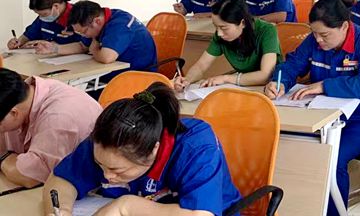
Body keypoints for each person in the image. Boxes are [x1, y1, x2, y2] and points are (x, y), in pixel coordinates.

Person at [266, 0, 360, 214]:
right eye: (314, 33)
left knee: (331, 158)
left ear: (344, 26)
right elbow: (292, 65)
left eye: (324, 35)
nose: (318, 40)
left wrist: (324, 86)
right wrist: (279, 82)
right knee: (288, 148)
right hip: (322, 116)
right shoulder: (314, 40)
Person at [44, 82, 241, 214]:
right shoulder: (107, 139)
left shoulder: (196, 147)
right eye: (99, 165)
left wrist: (126, 206)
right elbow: (61, 179)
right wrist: (61, 210)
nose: (106, 175)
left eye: (116, 170)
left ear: (154, 150)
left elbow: (200, 214)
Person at [0, 68, 101, 187]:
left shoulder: (57, 118)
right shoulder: (23, 94)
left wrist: (3, 156)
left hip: (88, 184)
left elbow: (31, 177)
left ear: (14, 113)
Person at [174, 0, 281, 91]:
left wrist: (226, 78)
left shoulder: (267, 31)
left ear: (242, 23)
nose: (219, 33)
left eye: (224, 28)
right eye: (216, 27)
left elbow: (265, 75)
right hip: (242, 88)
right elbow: (201, 66)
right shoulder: (220, 36)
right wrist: (187, 80)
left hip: (269, 89)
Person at [65, 0, 157, 82]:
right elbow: (83, 46)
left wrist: (94, 49)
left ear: (97, 21)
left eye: (84, 32)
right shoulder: (99, 21)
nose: (85, 36)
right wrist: (57, 49)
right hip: (116, 72)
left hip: (138, 77)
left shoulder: (120, 24)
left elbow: (106, 58)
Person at [7, 0, 81, 53]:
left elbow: (84, 46)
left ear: (56, 6)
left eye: (44, 14)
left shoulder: (79, 16)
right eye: (38, 14)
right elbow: (29, 34)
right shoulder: (45, 17)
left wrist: (54, 47)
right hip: (48, 58)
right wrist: (18, 41)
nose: (41, 17)